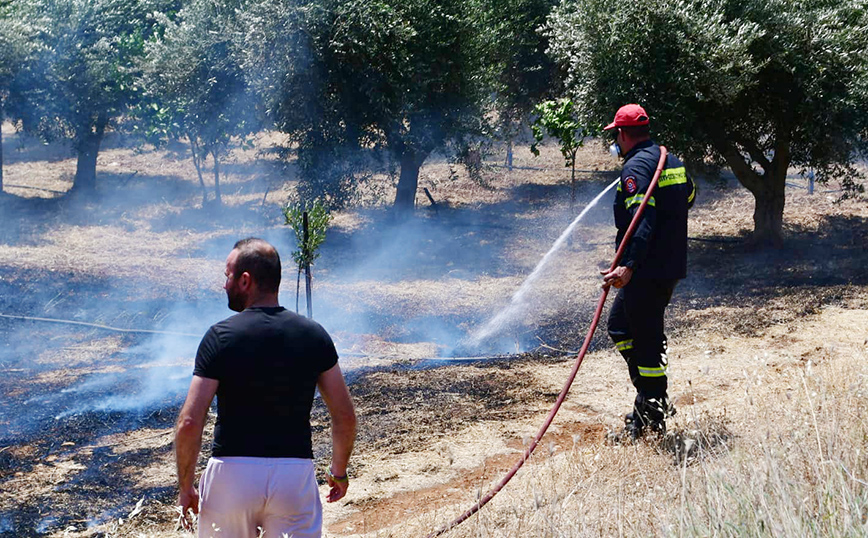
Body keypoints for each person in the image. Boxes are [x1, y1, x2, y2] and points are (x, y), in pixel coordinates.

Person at [174, 237, 356, 537]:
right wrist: (338, 472)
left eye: (227, 276)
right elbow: (345, 415)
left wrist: (186, 487)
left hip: (231, 477)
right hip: (293, 476)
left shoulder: (220, 337)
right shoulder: (314, 335)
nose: (224, 284)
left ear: (245, 280)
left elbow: (190, 422)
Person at [601, 104, 696, 440]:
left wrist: (628, 265)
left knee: (646, 340)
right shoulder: (671, 161)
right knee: (620, 326)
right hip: (668, 265)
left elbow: (642, 220)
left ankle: (652, 415)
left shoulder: (635, 168)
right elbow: (690, 195)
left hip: (647, 270)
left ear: (623, 134)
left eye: (615, 136)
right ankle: (649, 396)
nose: (615, 143)